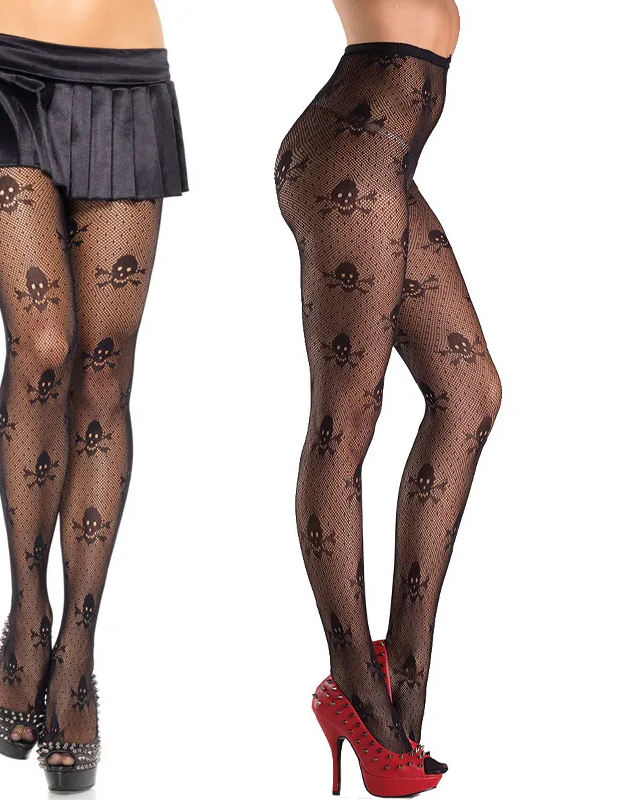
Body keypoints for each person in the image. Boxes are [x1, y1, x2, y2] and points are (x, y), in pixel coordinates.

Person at [0, 0, 187, 791]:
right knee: (44, 346)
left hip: (127, 75)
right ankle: (28, 612)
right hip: (2, 66)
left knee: (104, 370)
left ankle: (78, 647)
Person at [275, 1, 501, 795]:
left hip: (382, 162)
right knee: (346, 417)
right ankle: (355, 687)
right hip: (350, 158)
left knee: (470, 393)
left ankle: (403, 676)